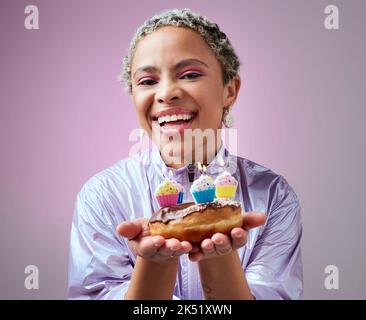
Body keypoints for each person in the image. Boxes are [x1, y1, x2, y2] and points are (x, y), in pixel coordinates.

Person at [67, 8, 303, 300]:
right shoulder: (102, 196)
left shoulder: (273, 196)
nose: (167, 93)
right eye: (148, 81)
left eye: (190, 74)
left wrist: (219, 256)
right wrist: (154, 264)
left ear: (230, 89)